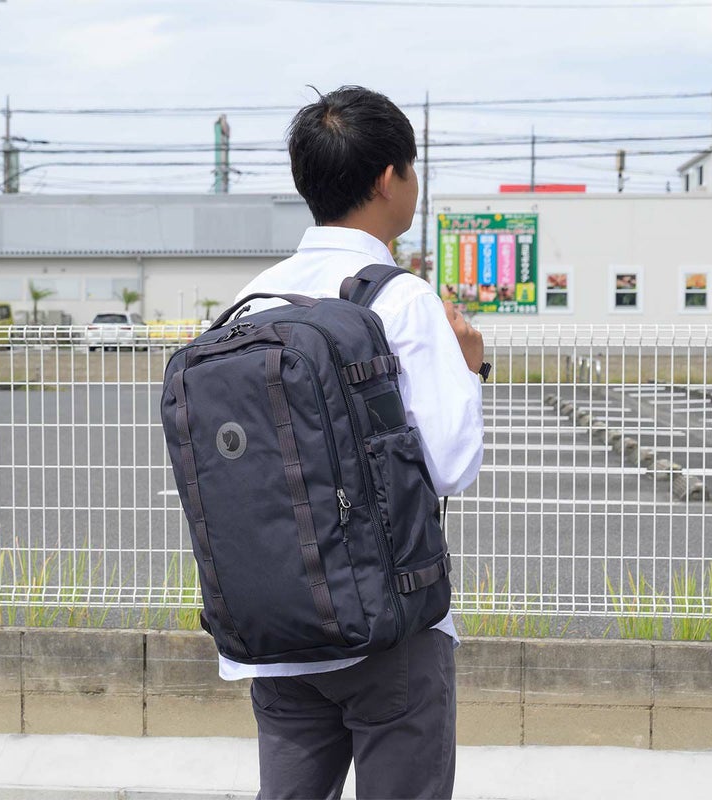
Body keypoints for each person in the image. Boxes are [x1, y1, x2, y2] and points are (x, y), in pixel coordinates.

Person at [226, 85, 485, 800]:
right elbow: (451, 465)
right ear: (388, 178)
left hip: (278, 626)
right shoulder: (402, 299)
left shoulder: (253, 301)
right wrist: (471, 369)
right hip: (388, 627)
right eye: (412, 167)